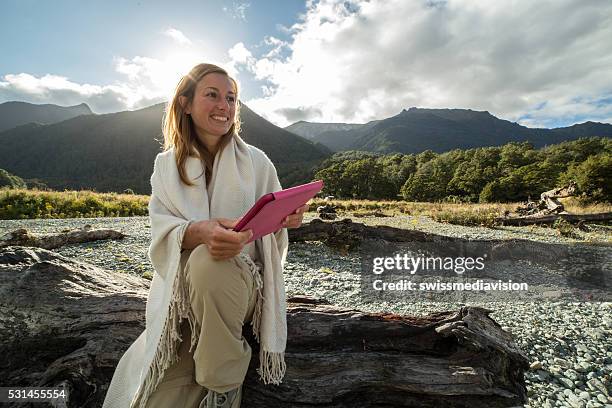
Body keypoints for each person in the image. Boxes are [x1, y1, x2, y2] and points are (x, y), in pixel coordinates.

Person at [102, 63, 307, 408]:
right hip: (185, 294)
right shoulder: (165, 167)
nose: (224, 106)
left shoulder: (258, 162)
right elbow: (161, 230)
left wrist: (288, 219)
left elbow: (273, 236)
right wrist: (197, 232)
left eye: (231, 98)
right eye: (212, 95)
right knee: (155, 397)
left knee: (210, 262)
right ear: (185, 103)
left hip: (245, 289)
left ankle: (224, 388)